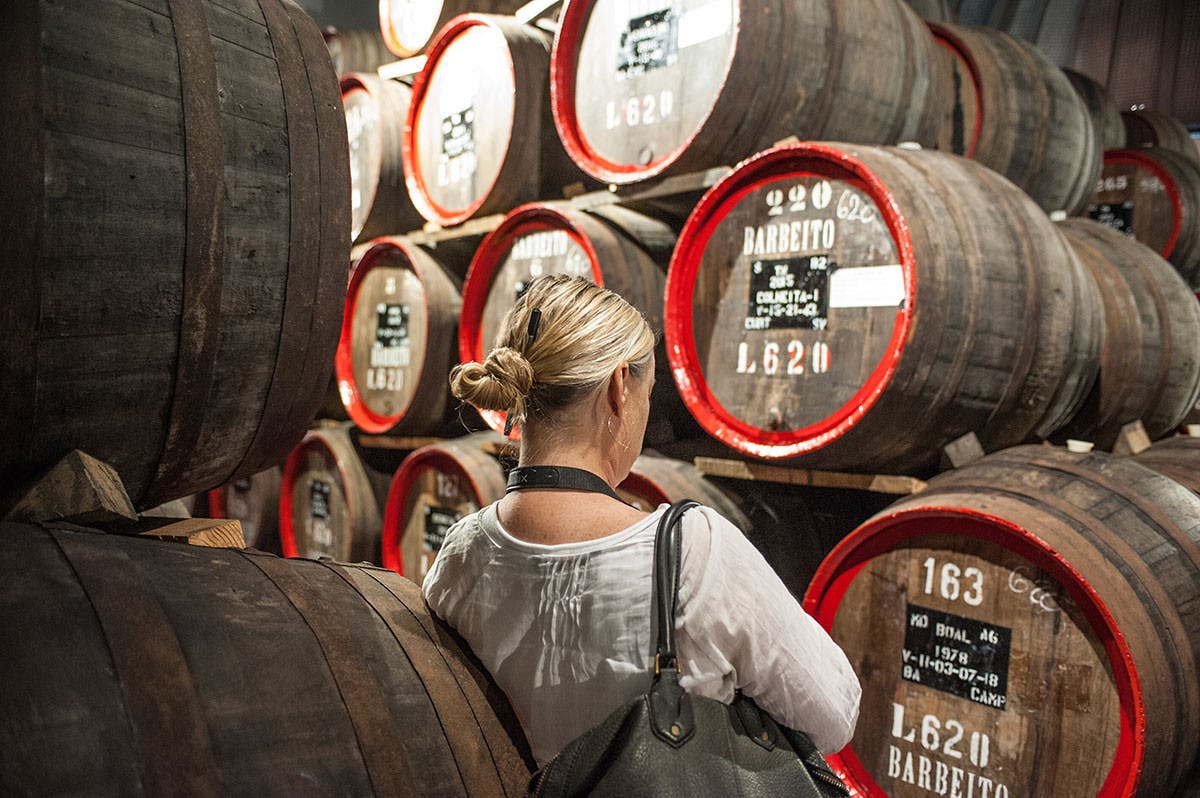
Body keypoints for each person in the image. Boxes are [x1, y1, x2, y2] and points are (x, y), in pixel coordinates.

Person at [421, 275, 861, 767]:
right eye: (647, 394)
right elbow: (834, 714)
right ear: (618, 390)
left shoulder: (460, 554)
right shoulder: (691, 552)